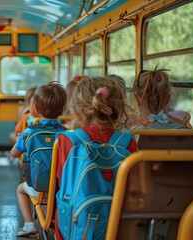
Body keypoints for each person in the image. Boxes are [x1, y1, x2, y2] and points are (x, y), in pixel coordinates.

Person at [54, 77, 138, 239]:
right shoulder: (128, 142)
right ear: (117, 110)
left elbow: (61, 184)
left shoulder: (67, 141)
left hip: (75, 226)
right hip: (120, 227)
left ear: (76, 113)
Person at [11, 82, 67, 237]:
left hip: (39, 188)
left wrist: (20, 141)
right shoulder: (67, 134)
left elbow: (14, 154)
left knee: (20, 190)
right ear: (63, 109)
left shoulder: (29, 133)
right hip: (61, 188)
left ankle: (29, 225)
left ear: (35, 109)